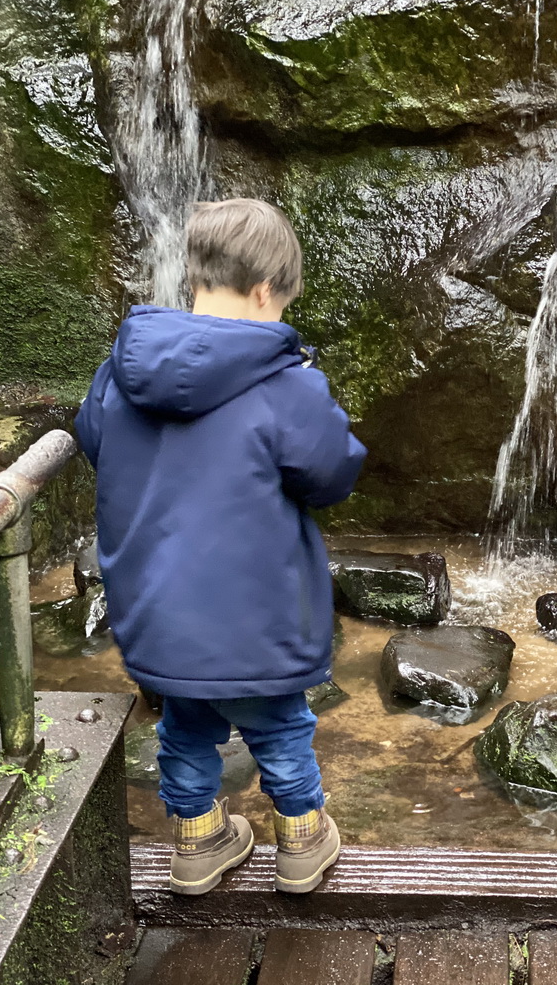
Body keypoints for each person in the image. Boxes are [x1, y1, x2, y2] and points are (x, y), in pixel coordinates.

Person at [75, 198, 367, 896]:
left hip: (157, 608)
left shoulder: (123, 369)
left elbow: (94, 440)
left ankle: (198, 842)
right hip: (254, 613)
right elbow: (331, 474)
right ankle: (301, 840)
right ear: (266, 290)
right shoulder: (284, 382)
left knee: (184, 725)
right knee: (281, 728)